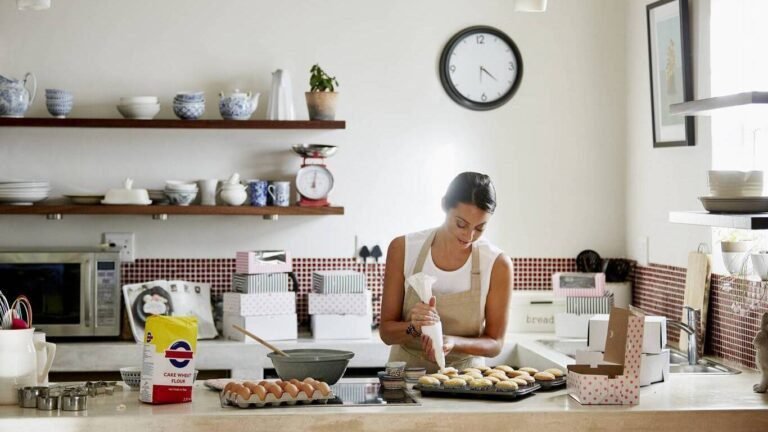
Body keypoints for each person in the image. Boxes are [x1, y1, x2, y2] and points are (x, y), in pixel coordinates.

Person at [380, 172, 512, 372]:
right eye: (461, 224)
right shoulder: (404, 248)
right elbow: (387, 333)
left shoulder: (497, 263)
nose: (469, 235)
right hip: (405, 377)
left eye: (480, 228)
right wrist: (414, 328)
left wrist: (452, 342)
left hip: (468, 380)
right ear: (444, 205)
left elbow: (495, 343)